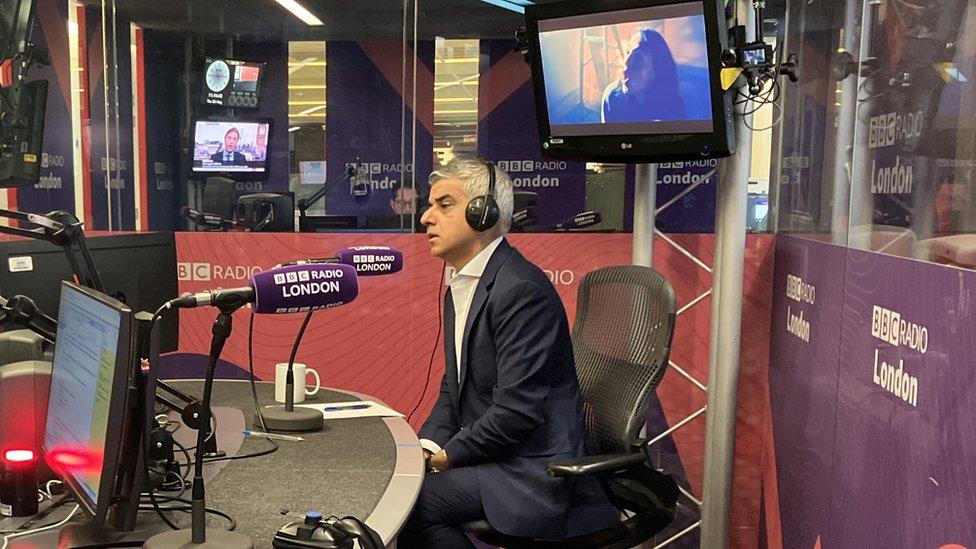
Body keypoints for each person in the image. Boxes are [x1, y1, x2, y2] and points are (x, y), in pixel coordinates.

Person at [399, 159, 617, 548]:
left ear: (484, 213)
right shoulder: (463, 283)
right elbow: (455, 388)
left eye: (443, 204)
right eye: (429, 205)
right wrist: (424, 449)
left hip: (534, 471)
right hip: (503, 458)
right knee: (407, 492)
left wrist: (444, 459)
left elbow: (516, 412)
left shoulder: (519, 289)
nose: (425, 218)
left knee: (411, 507)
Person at [602, 28, 686, 123]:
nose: (626, 63)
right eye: (628, 53)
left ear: (658, 69)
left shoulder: (672, 106)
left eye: (638, 58)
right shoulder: (612, 97)